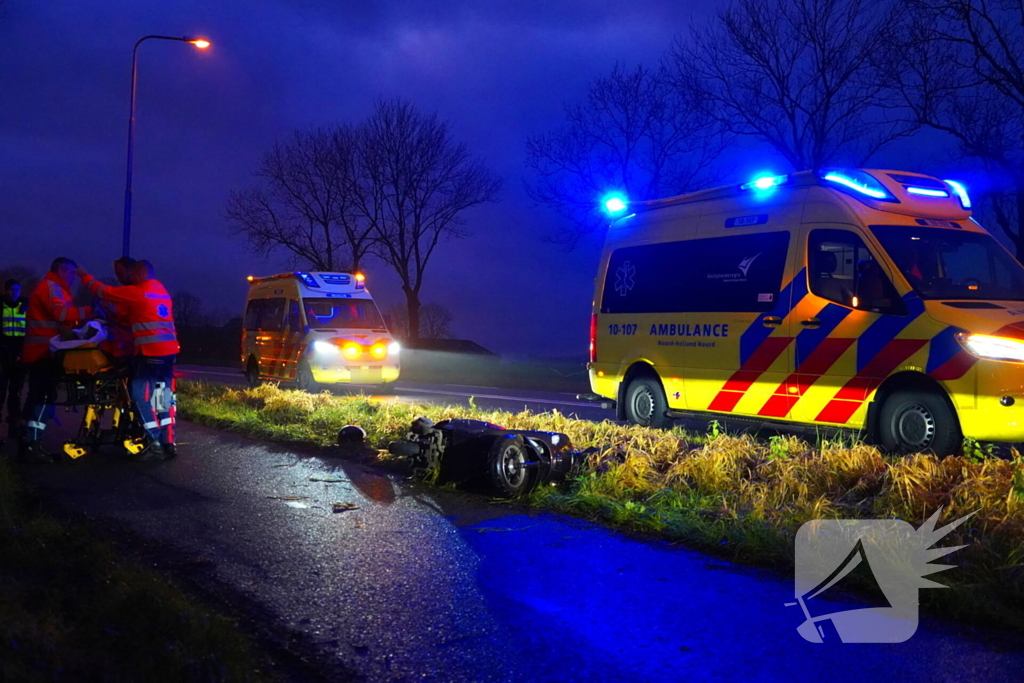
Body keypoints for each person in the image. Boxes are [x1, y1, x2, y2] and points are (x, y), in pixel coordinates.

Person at [79, 260, 178, 460]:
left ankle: (154, 442)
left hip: (151, 352)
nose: (128, 279)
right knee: (163, 396)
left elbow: (103, 292)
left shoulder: (137, 291)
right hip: (169, 353)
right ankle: (169, 441)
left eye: (132, 275)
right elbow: (138, 316)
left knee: (140, 395)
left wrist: (83, 275)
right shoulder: (161, 291)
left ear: (138, 274)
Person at [20, 258, 92, 462]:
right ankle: (33, 445)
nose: (72, 277)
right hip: (43, 352)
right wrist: (88, 311)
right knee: (43, 397)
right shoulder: (52, 287)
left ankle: (26, 441)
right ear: (61, 271)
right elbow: (61, 313)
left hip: (40, 351)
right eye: (70, 272)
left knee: (36, 396)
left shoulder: (52, 287)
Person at [0, 279, 27, 443]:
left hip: (19, 355)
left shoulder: (25, 306)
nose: (14, 292)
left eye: (17, 289)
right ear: (6, 291)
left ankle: (13, 428)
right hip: (3, 354)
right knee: (1, 392)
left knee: (16, 394)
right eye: (11, 290)